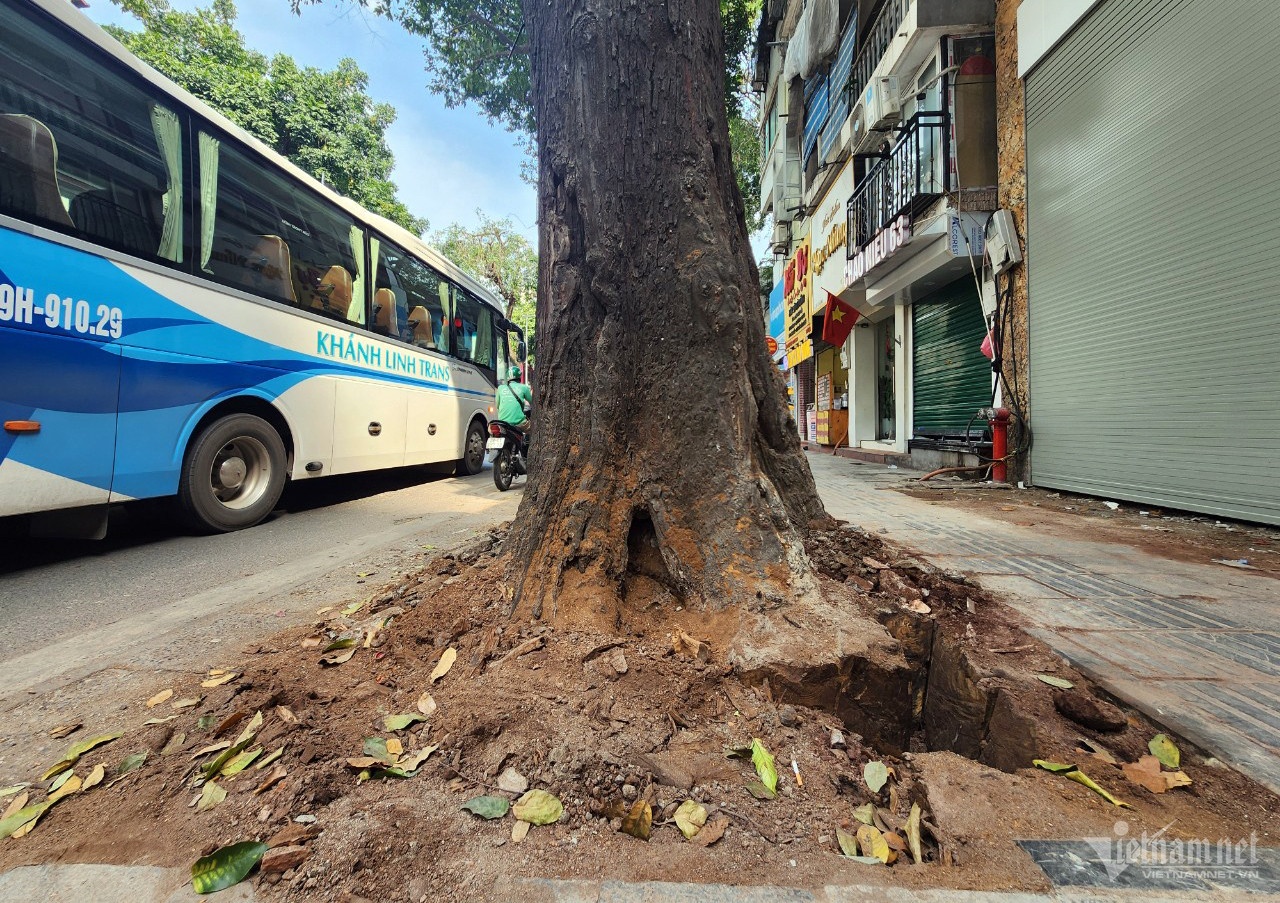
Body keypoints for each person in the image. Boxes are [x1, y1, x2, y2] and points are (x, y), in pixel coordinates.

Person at [496, 364, 532, 433]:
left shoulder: (500, 388)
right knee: (533, 429)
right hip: (519, 423)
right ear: (519, 377)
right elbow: (533, 403)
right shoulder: (524, 388)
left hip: (502, 423)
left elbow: (497, 405)